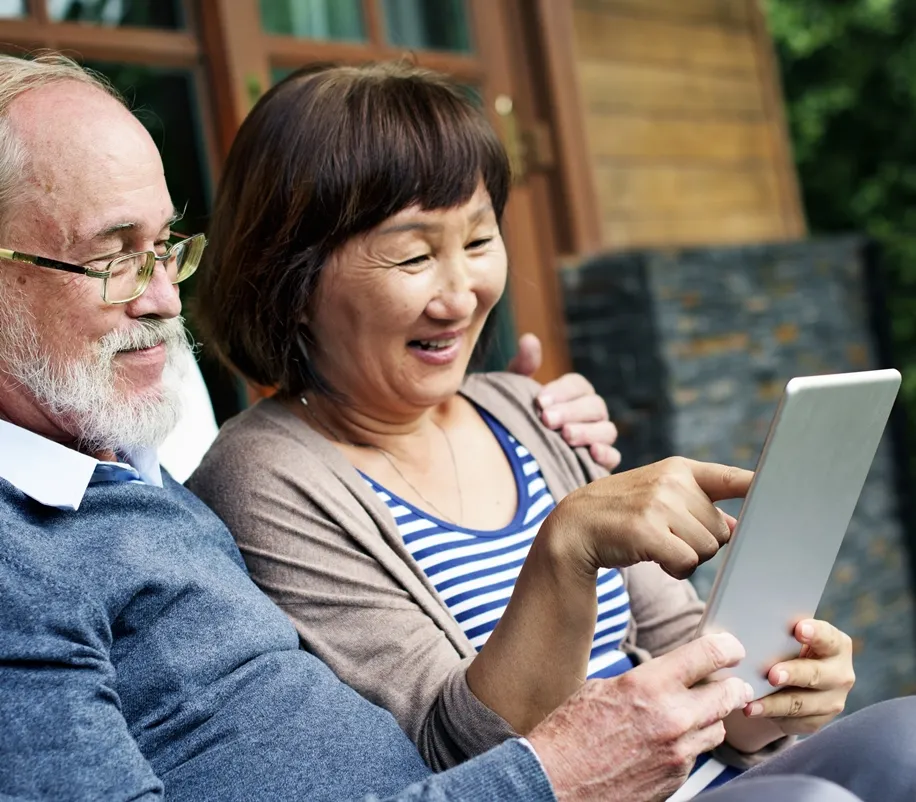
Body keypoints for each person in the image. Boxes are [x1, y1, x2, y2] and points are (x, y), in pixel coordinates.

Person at [0, 52, 912, 802]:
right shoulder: (252, 478)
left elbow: (685, 659)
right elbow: (454, 745)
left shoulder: (523, 408)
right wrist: (567, 548)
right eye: (411, 253)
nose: (462, 289)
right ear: (296, 279)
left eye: (478, 241)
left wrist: (770, 693)